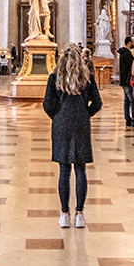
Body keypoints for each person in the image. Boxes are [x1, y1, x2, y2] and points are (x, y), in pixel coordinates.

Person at [42, 45, 102, 229]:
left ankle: (64, 214)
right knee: (81, 169)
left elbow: (47, 104)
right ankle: (80, 214)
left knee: (64, 170)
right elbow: (97, 103)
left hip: (62, 124)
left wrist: (58, 116)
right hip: (81, 123)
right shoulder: (87, 78)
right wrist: (85, 113)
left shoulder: (55, 77)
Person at [117, 37, 134, 129]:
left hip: (124, 80)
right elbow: (132, 67)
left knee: (127, 101)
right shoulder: (127, 54)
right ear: (129, 43)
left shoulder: (123, 53)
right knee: (132, 101)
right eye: (133, 42)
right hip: (128, 81)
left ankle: (128, 119)